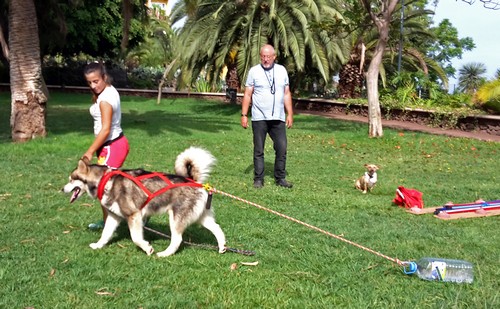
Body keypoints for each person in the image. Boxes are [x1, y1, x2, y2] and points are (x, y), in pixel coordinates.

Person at [83, 62, 130, 229]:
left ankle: (110, 223)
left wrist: (89, 152)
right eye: (89, 82)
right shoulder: (108, 90)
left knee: (102, 186)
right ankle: (111, 220)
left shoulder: (105, 99)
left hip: (112, 146)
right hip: (110, 146)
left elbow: (105, 129)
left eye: (96, 81)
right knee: (108, 186)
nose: (93, 85)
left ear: (104, 77)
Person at [241, 44, 294, 189]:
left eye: (268, 57)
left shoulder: (282, 70)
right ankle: (258, 179)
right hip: (259, 117)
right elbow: (247, 94)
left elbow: (286, 93)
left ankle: (280, 178)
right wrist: (244, 115)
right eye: (263, 56)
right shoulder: (254, 71)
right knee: (259, 149)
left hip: (278, 117)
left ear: (274, 57)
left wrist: (290, 113)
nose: (265, 59)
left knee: (281, 147)